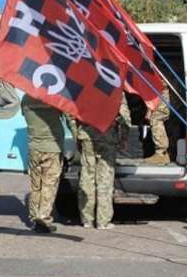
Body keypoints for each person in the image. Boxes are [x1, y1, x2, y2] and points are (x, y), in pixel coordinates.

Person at [70, 96, 130, 230]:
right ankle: (103, 221)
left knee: (87, 176)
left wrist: (77, 137)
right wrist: (124, 138)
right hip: (108, 136)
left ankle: (87, 220)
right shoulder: (115, 86)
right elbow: (125, 117)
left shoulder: (85, 86)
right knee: (105, 178)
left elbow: (72, 115)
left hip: (87, 135)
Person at [21, 94, 64, 233]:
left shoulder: (26, 99)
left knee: (36, 185)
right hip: (52, 146)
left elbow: (25, 114)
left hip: (34, 147)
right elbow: (66, 114)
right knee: (49, 184)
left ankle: (34, 217)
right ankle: (44, 217)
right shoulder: (55, 97)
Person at [146, 85, 171, 165]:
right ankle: (163, 154)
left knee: (156, 119)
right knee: (156, 119)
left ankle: (161, 154)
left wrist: (150, 109)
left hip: (162, 93)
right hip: (162, 92)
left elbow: (158, 84)